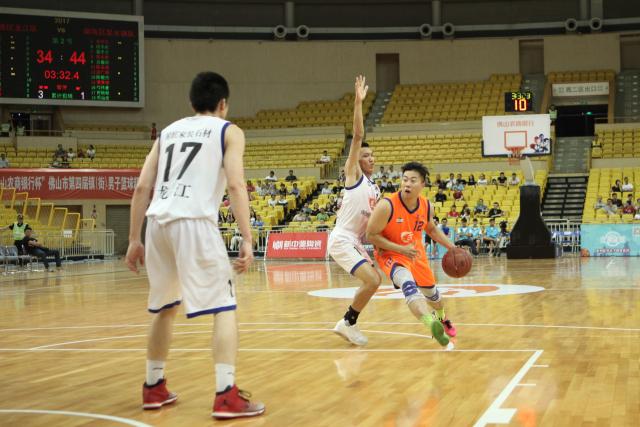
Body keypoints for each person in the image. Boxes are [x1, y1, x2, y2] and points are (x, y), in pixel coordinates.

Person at [124, 71, 264, 418]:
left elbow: (143, 187)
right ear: (223, 104)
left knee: (163, 307)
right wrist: (247, 237)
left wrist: (132, 239)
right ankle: (226, 393)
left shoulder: (168, 131)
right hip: (194, 222)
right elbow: (235, 185)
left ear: (190, 103)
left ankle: (153, 387)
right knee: (224, 306)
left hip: (157, 224)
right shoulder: (229, 131)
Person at [367, 161, 457, 347]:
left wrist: (452, 247)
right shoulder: (386, 205)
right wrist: (400, 249)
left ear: (423, 184)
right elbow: (371, 235)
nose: (407, 184)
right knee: (408, 285)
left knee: (434, 297)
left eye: (413, 180)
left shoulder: (426, 206)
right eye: (405, 179)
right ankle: (430, 323)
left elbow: (431, 229)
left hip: (415, 254)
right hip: (391, 254)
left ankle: (441, 318)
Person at [328, 76, 382, 346]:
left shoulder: (375, 188)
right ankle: (346, 323)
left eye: (372, 155)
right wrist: (358, 103)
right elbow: (358, 135)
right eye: (365, 155)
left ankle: (347, 322)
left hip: (355, 241)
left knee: (375, 281)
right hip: (341, 239)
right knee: (372, 280)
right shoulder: (354, 174)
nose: (370, 158)